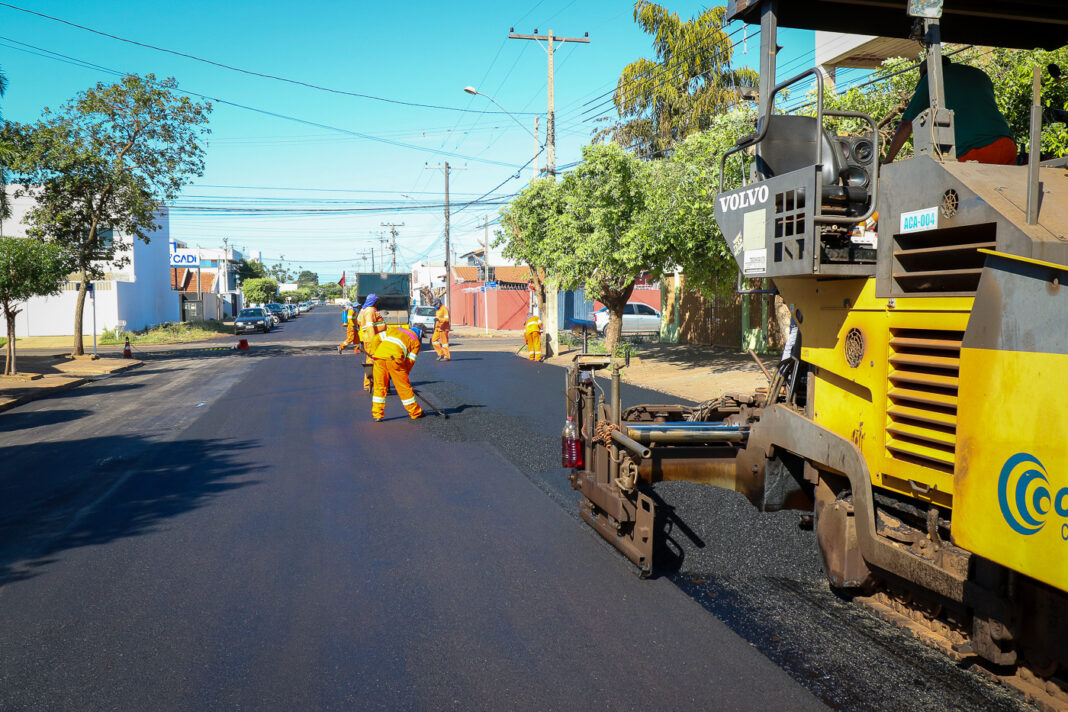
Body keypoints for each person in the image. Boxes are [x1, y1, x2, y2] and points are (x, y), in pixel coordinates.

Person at [883, 56, 1016, 165]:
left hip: (974, 150)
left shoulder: (932, 78)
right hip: (1007, 145)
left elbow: (907, 124)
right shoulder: (980, 75)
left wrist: (887, 161)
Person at [370, 325, 424, 422]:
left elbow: (376, 338)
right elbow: (409, 362)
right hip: (395, 360)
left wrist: (373, 354)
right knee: (404, 388)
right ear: (420, 334)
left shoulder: (395, 329)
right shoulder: (416, 341)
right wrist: (403, 376)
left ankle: (377, 414)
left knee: (379, 386)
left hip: (379, 358)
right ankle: (415, 412)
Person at [357, 294, 386, 391]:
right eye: (377, 301)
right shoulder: (370, 310)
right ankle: (369, 383)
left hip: (368, 339)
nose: (378, 303)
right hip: (372, 340)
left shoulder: (363, 310)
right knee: (372, 361)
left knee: (370, 360)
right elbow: (370, 327)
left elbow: (359, 322)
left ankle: (369, 383)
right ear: (374, 301)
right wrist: (374, 341)